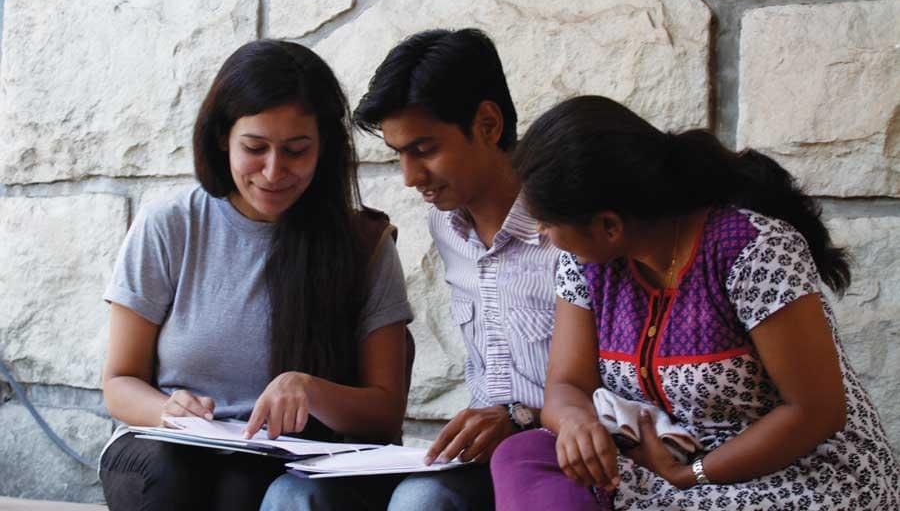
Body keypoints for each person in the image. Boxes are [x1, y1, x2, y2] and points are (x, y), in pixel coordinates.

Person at [490, 95, 900, 510]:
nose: (541, 234)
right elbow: (567, 385)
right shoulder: (586, 266)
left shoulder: (752, 250)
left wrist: (694, 473)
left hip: (796, 474)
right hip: (667, 461)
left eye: (547, 223)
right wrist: (576, 422)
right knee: (524, 455)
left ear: (609, 225)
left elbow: (814, 413)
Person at [98, 39, 413, 511]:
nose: (272, 171)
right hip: (166, 448)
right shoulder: (170, 225)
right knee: (175, 474)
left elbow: (384, 414)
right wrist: (168, 411)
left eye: (296, 151)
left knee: (247, 487)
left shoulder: (362, 245)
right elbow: (119, 382)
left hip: (286, 458)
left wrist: (310, 390)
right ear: (222, 138)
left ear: (324, 148)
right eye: (254, 148)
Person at [262, 28, 560, 510]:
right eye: (398, 154)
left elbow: (623, 381)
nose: (409, 177)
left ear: (488, 124)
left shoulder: (566, 229)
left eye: (424, 150)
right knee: (298, 493)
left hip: (560, 456)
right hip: (480, 463)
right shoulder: (446, 225)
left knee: (421, 501)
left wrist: (521, 418)